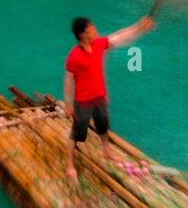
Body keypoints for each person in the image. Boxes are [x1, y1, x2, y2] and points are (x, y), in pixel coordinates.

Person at [63, 15, 154, 182]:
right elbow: (68, 80)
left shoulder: (99, 44)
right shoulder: (74, 56)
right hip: (83, 101)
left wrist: (140, 28)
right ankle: (69, 164)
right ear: (84, 33)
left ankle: (106, 150)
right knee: (77, 132)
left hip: (99, 96)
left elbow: (121, 37)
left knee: (103, 124)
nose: (96, 30)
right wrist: (68, 104)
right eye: (93, 27)